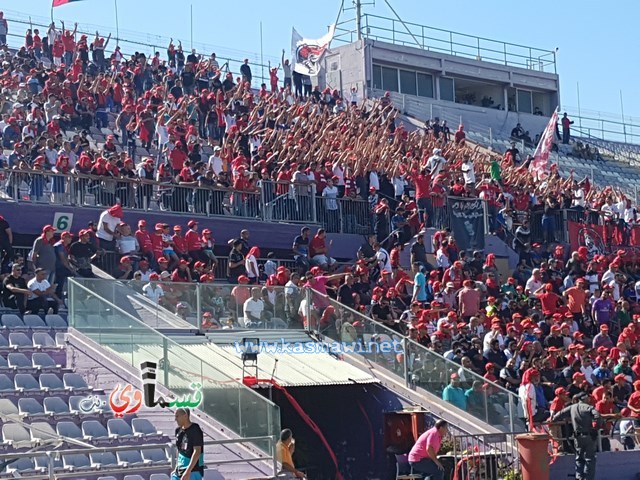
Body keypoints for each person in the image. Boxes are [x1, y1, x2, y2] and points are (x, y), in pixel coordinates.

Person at [550, 393, 602, 480]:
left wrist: (553, 419)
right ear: (585, 399)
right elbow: (598, 416)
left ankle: (579, 477)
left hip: (577, 437)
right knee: (590, 459)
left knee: (579, 458)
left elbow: (560, 414)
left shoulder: (572, 407)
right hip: (589, 435)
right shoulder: (589, 407)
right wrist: (595, 428)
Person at [172, 408, 204, 480]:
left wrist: (188, 471)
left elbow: (197, 451)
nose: (175, 419)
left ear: (185, 416)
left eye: (177, 416)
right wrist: (176, 467)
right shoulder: (178, 430)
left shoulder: (195, 429)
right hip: (179, 469)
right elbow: (180, 451)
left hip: (193, 470)